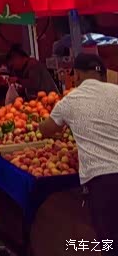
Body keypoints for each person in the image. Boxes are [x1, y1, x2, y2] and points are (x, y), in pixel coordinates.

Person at [39, 54, 118, 241]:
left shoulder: (70, 100)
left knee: (110, 241)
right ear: (102, 75)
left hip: (102, 179)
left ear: (77, 75)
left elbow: (45, 129)